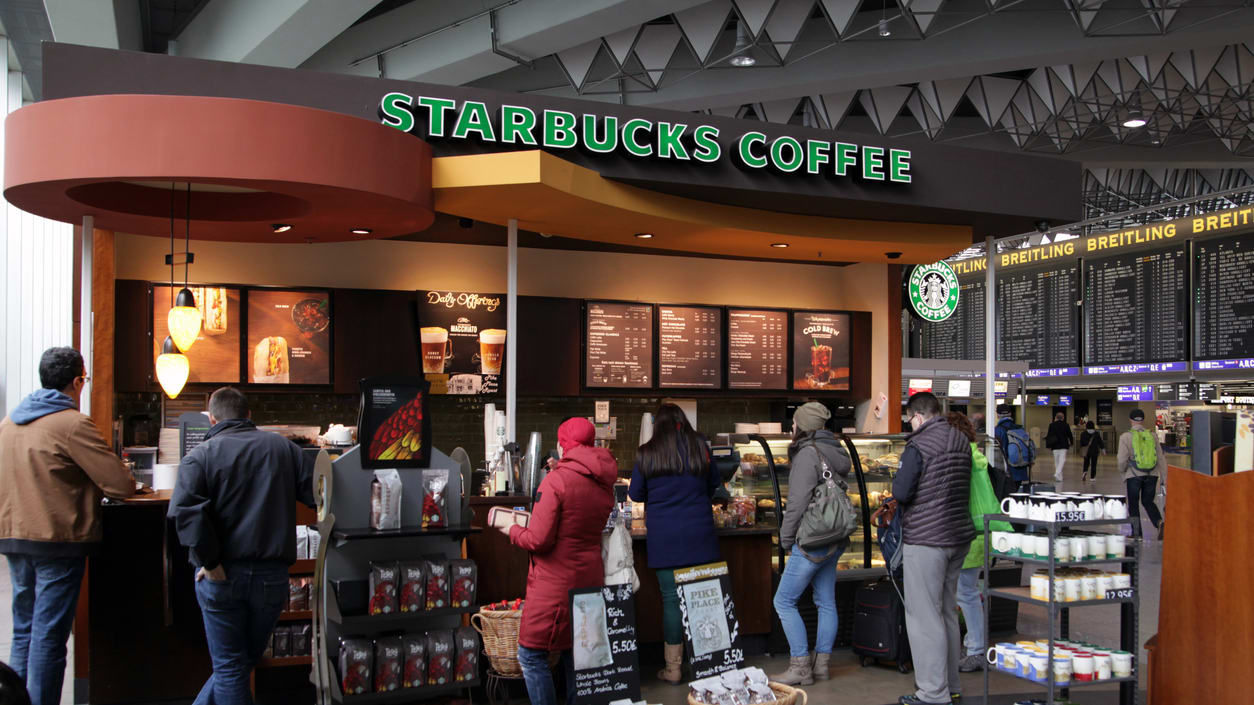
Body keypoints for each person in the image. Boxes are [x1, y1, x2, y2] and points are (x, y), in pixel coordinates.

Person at [0, 347, 135, 705]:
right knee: (49, 635)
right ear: (77, 381)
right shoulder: (72, 423)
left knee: (24, 631)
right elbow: (119, 485)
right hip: (57, 540)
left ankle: (15, 700)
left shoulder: (9, 422)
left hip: (14, 538)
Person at [168, 387, 315, 705]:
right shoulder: (283, 448)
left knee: (231, 667)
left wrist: (209, 561)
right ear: (250, 416)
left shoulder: (200, 456)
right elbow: (318, 494)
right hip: (273, 580)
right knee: (238, 664)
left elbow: (183, 512)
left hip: (223, 578)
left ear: (211, 419)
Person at [504, 417, 616, 705]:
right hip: (588, 580)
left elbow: (539, 540)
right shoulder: (604, 484)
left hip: (554, 584)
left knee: (530, 654)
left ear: (563, 445)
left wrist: (513, 530)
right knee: (576, 655)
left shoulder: (556, 481)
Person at [628, 404, 721, 684]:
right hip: (700, 534)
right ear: (684, 421)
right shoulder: (701, 448)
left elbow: (635, 493)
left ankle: (673, 669)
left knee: (671, 601)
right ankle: (706, 664)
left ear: (657, 424)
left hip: (665, 537)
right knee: (701, 598)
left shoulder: (647, 452)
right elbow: (714, 483)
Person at [893, 392, 975, 705]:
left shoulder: (918, 445)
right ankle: (951, 685)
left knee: (924, 617)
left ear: (916, 416)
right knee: (946, 612)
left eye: (909, 420)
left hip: (927, 540)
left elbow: (902, 491)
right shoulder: (960, 440)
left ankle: (931, 693)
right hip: (958, 536)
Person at [770, 402, 853, 686]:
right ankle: (822, 666)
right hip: (836, 538)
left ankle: (800, 667)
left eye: (794, 423)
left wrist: (786, 539)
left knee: (783, 600)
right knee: (826, 602)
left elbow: (797, 504)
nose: (792, 427)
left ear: (802, 425)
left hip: (813, 540)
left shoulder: (807, 454)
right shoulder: (837, 451)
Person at [955, 415, 1012, 673]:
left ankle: (976, 649)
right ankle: (972, 644)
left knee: (965, 594)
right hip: (982, 532)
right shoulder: (978, 458)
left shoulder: (960, 461)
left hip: (968, 533)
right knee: (968, 592)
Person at [1116, 409, 1165, 540]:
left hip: (1134, 474)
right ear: (1143, 420)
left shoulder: (1125, 436)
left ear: (1130, 420)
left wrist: (1123, 473)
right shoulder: (1153, 436)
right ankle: (1159, 522)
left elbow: (1122, 459)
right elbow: (1160, 457)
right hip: (1152, 474)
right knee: (1148, 501)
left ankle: (1137, 533)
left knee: (1133, 503)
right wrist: (1163, 478)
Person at [1045, 412, 1074, 483]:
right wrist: (1071, 442)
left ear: (1056, 417)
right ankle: (1057, 474)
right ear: (1063, 418)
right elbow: (1069, 434)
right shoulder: (1066, 425)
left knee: (1056, 461)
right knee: (1062, 460)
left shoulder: (1051, 425)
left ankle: (1059, 477)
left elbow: (1049, 435)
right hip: (1063, 445)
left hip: (1054, 445)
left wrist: (1048, 445)